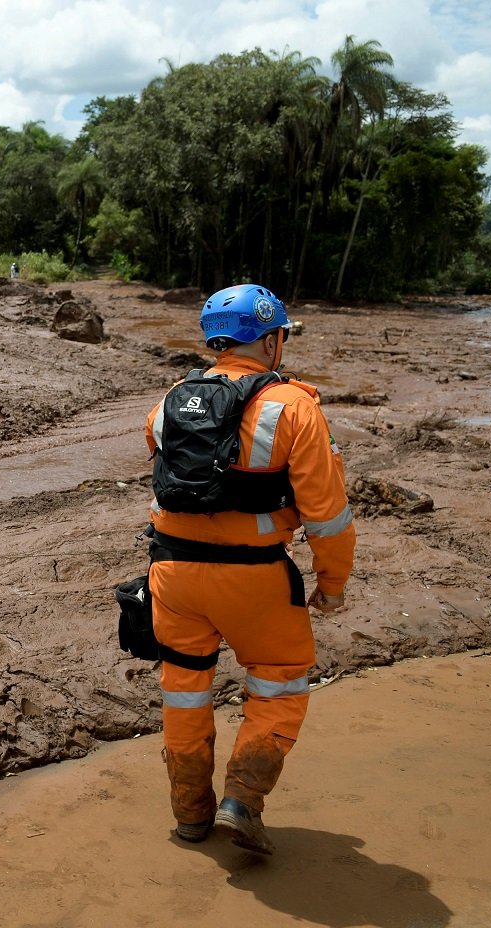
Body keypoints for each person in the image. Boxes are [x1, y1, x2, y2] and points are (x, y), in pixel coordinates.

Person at [143, 283, 355, 854]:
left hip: (173, 577)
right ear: (269, 339)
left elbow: (165, 478)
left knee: (185, 689)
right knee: (281, 680)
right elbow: (327, 515)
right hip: (256, 577)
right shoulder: (295, 406)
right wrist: (332, 584)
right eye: (280, 335)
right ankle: (242, 798)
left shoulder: (171, 400)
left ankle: (191, 814)